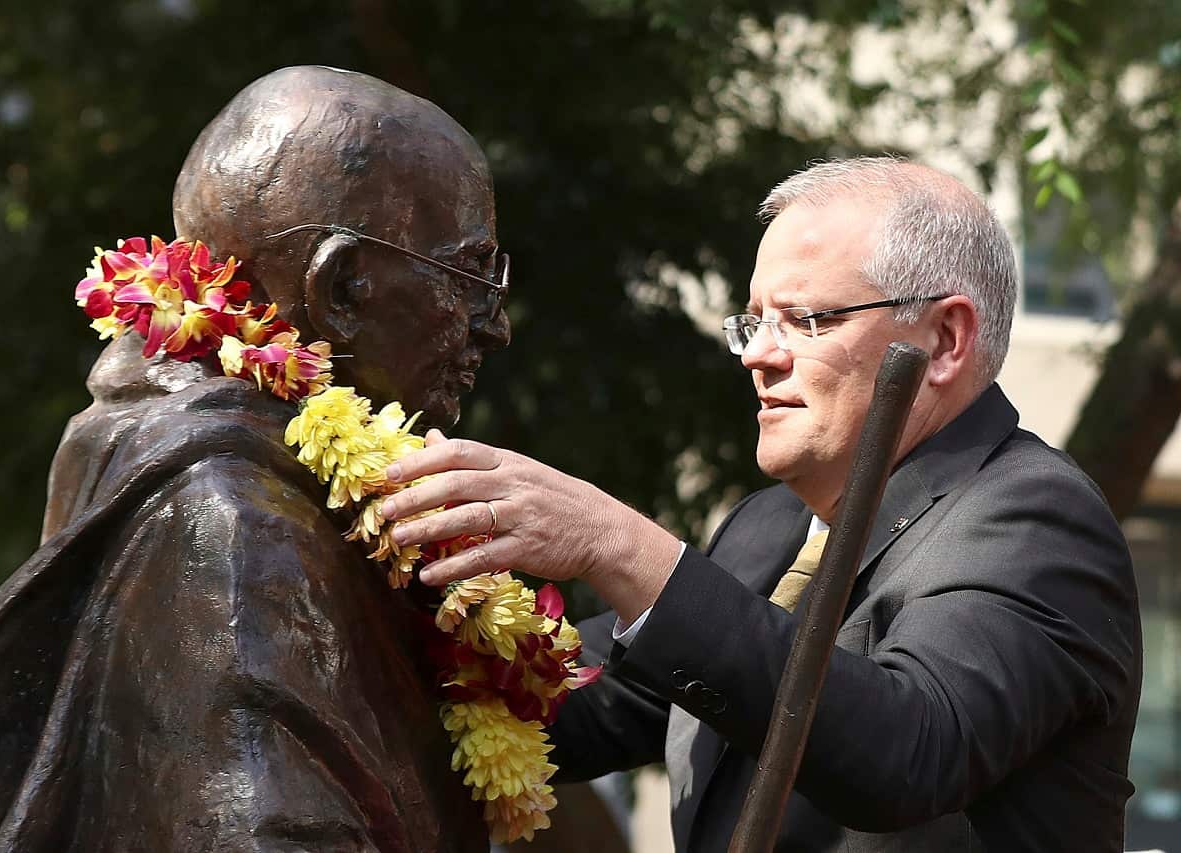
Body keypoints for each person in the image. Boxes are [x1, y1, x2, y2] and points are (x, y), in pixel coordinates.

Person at [380, 157, 1143, 852]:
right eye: (753, 321)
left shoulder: (1034, 519)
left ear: (945, 338)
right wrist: (374, 562)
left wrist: (620, 546)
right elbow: (562, 707)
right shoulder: (766, 527)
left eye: (806, 320)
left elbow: (907, 749)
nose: (756, 354)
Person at [0, 66, 508, 851]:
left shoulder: (180, 454)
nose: (494, 328)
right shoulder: (239, 531)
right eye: (471, 275)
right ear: (342, 291)